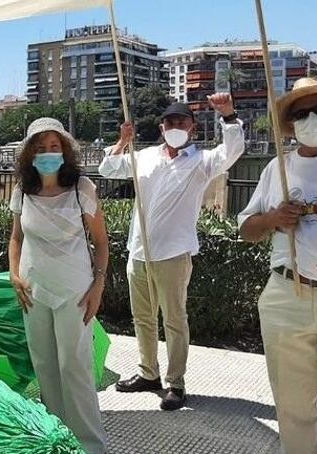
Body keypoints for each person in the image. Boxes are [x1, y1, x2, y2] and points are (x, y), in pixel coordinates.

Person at [99, 94, 244, 410]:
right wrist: (123, 141)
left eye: (182, 122)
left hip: (175, 255)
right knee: (143, 318)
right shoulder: (145, 156)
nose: (175, 126)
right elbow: (107, 168)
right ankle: (148, 373)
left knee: (175, 321)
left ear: (192, 128)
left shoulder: (201, 162)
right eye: (170, 122)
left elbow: (232, 151)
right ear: (162, 127)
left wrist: (229, 117)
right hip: (139, 251)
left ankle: (175, 383)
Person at [239, 77, 317, 454]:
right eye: (301, 113)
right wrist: (273, 219)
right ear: (289, 125)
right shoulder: (278, 165)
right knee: (293, 404)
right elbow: (246, 229)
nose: (313, 119)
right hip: (286, 293)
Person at [8, 117, 109, 454]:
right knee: (45, 365)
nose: (48, 153)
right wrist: (13, 274)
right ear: (29, 154)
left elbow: (101, 242)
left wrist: (99, 284)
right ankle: (57, 434)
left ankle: (90, 445)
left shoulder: (82, 188)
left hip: (75, 289)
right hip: (33, 289)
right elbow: (16, 237)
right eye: (40, 147)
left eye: (54, 146)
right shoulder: (22, 189)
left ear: (65, 150)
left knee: (75, 365)